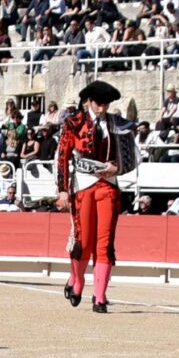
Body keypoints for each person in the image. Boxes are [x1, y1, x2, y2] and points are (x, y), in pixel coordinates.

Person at [54, 81, 134, 313]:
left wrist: (116, 168)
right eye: (99, 104)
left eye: (106, 104)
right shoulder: (73, 122)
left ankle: (100, 296)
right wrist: (62, 189)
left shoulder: (116, 123)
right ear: (88, 101)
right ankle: (77, 282)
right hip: (82, 185)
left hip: (108, 185)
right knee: (84, 240)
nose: (102, 108)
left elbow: (131, 156)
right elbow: (62, 156)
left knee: (105, 242)